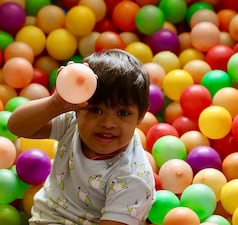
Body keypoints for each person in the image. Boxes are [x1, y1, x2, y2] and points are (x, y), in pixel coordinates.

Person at [8, 49, 155, 225]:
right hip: (45, 218)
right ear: (79, 107)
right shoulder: (74, 121)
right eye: (96, 110)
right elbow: (17, 126)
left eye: (123, 113)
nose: (108, 122)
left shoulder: (131, 178)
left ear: (141, 116)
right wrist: (55, 104)